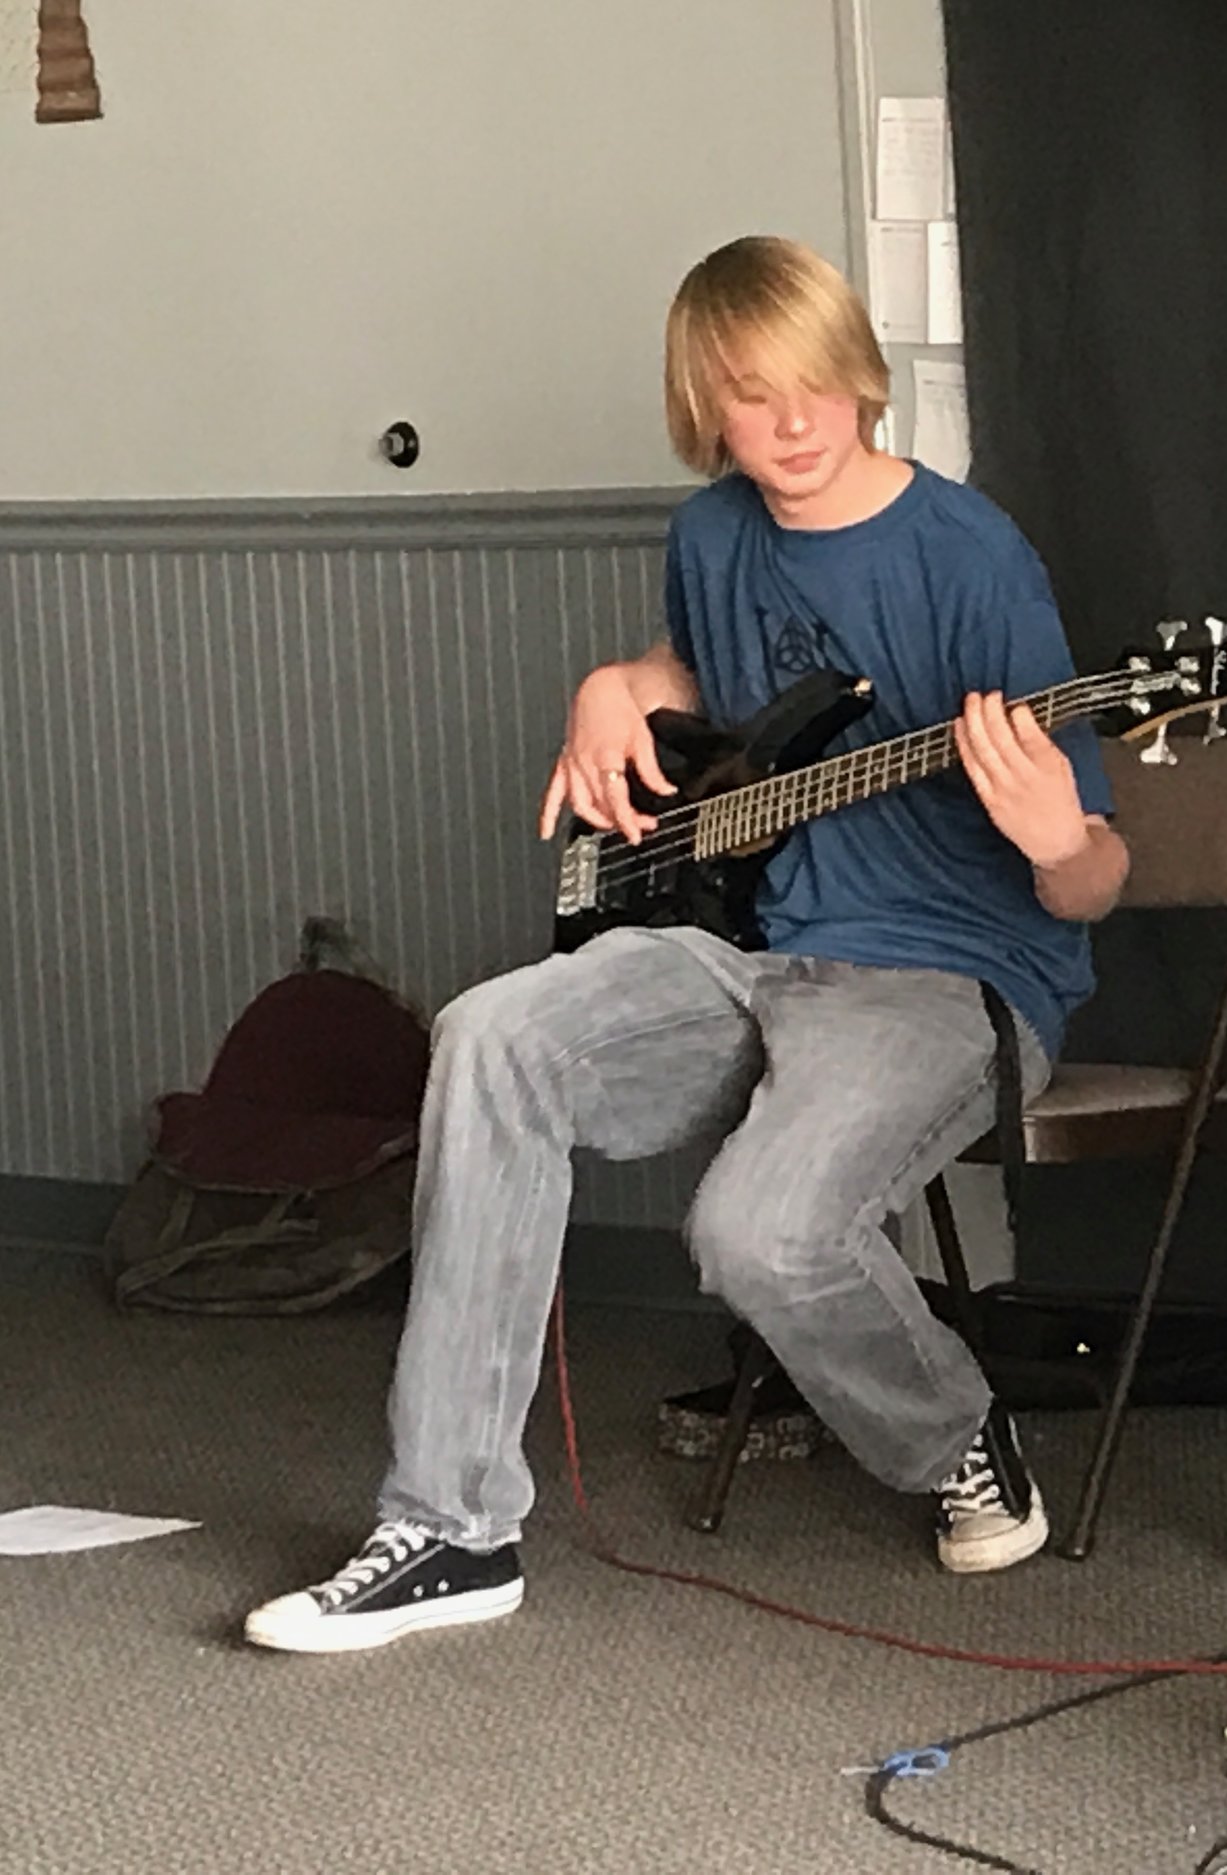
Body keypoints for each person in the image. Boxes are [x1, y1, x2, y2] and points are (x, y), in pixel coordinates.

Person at [245, 235, 1128, 1653]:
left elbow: (1093, 884)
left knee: (754, 1233)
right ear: (701, 405)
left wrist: (1054, 837)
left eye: (814, 389)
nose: (789, 426)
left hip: (947, 976)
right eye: (748, 395)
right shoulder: (712, 532)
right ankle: (451, 1526)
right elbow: (725, 691)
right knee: (492, 1035)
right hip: (750, 949)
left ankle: (959, 1431)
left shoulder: (972, 557)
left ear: (861, 380)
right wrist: (620, 684)